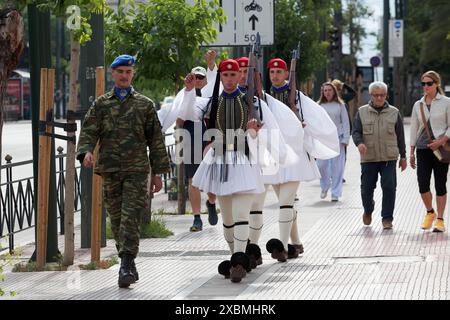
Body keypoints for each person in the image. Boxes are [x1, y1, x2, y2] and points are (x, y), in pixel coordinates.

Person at [179, 59, 289, 282]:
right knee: (227, 219)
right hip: (219, 161)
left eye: (233, 75)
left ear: (240, 76)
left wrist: (255, 133)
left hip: (244, 160)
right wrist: (189, 90)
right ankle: (234, 257)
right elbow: (187, 113)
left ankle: (239, 260)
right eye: (225, 75)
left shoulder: (255, 102)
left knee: (240, 215)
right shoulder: (211, 102)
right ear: (222, 76)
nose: (229, 79)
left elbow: (270, 130)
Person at [76, 54, 171, 288]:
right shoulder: (102, 104)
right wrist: (85, 151)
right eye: (121, 72)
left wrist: (158, 173)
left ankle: (126, 264)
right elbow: (89, 130)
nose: (125, 76)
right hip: (110, 169)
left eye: (128, 72)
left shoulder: (145, 105)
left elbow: (156, 140)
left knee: (130, 217)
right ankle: (127, 259)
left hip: (137, 170)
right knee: (117, 220)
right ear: (113, 74)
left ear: (133, 74)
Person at [259, 58, 339, 262]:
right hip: (275, 156)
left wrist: (304, 126)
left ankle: (283, 247)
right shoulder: (264, 98)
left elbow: (316, 119)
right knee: (285, 202)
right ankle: (296, 242)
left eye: (279, 71)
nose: (275, 75)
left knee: (285, 203)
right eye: (272, 72)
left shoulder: (297, 97)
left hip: (294, 156)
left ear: (287, 74)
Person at [352, 81, 407, 229]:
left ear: (386, 95)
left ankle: (387, 218)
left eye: (382, 95)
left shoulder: (394, 112)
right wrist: (359, 143)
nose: (379, 98)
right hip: (368, 157)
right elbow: (356, 131)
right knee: (366, 189)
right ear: (371, 95)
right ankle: (368, 210)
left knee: (389, 187)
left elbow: (400, 136)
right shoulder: (362, 112)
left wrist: (403, 157)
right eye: (376, 95)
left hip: (389, 157)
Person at [410, 70, 450, 232]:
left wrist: (441, 141)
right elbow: (413, 128)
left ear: (436, 84)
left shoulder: (446, 102)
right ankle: (430, 212)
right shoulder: (418, 104)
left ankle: (440, 219)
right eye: (423, 84)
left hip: (440, 149)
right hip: (422, 149)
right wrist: (411, 152)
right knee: (422, 184)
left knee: (440, 184)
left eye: (429, 83)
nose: (425, 86)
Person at [316, 82, 350, 202]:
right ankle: (324, 186)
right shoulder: (318, 105)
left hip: (338, 139)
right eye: (325, 90)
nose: (327, 92)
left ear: (334, 91)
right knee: (321, 166)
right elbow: (315, 123)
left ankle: (335, 192)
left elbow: (345, 122)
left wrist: (346, 139)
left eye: (329, 90)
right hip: (323, 140)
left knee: (337, 167)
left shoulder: (340, 105)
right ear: (322, 92)